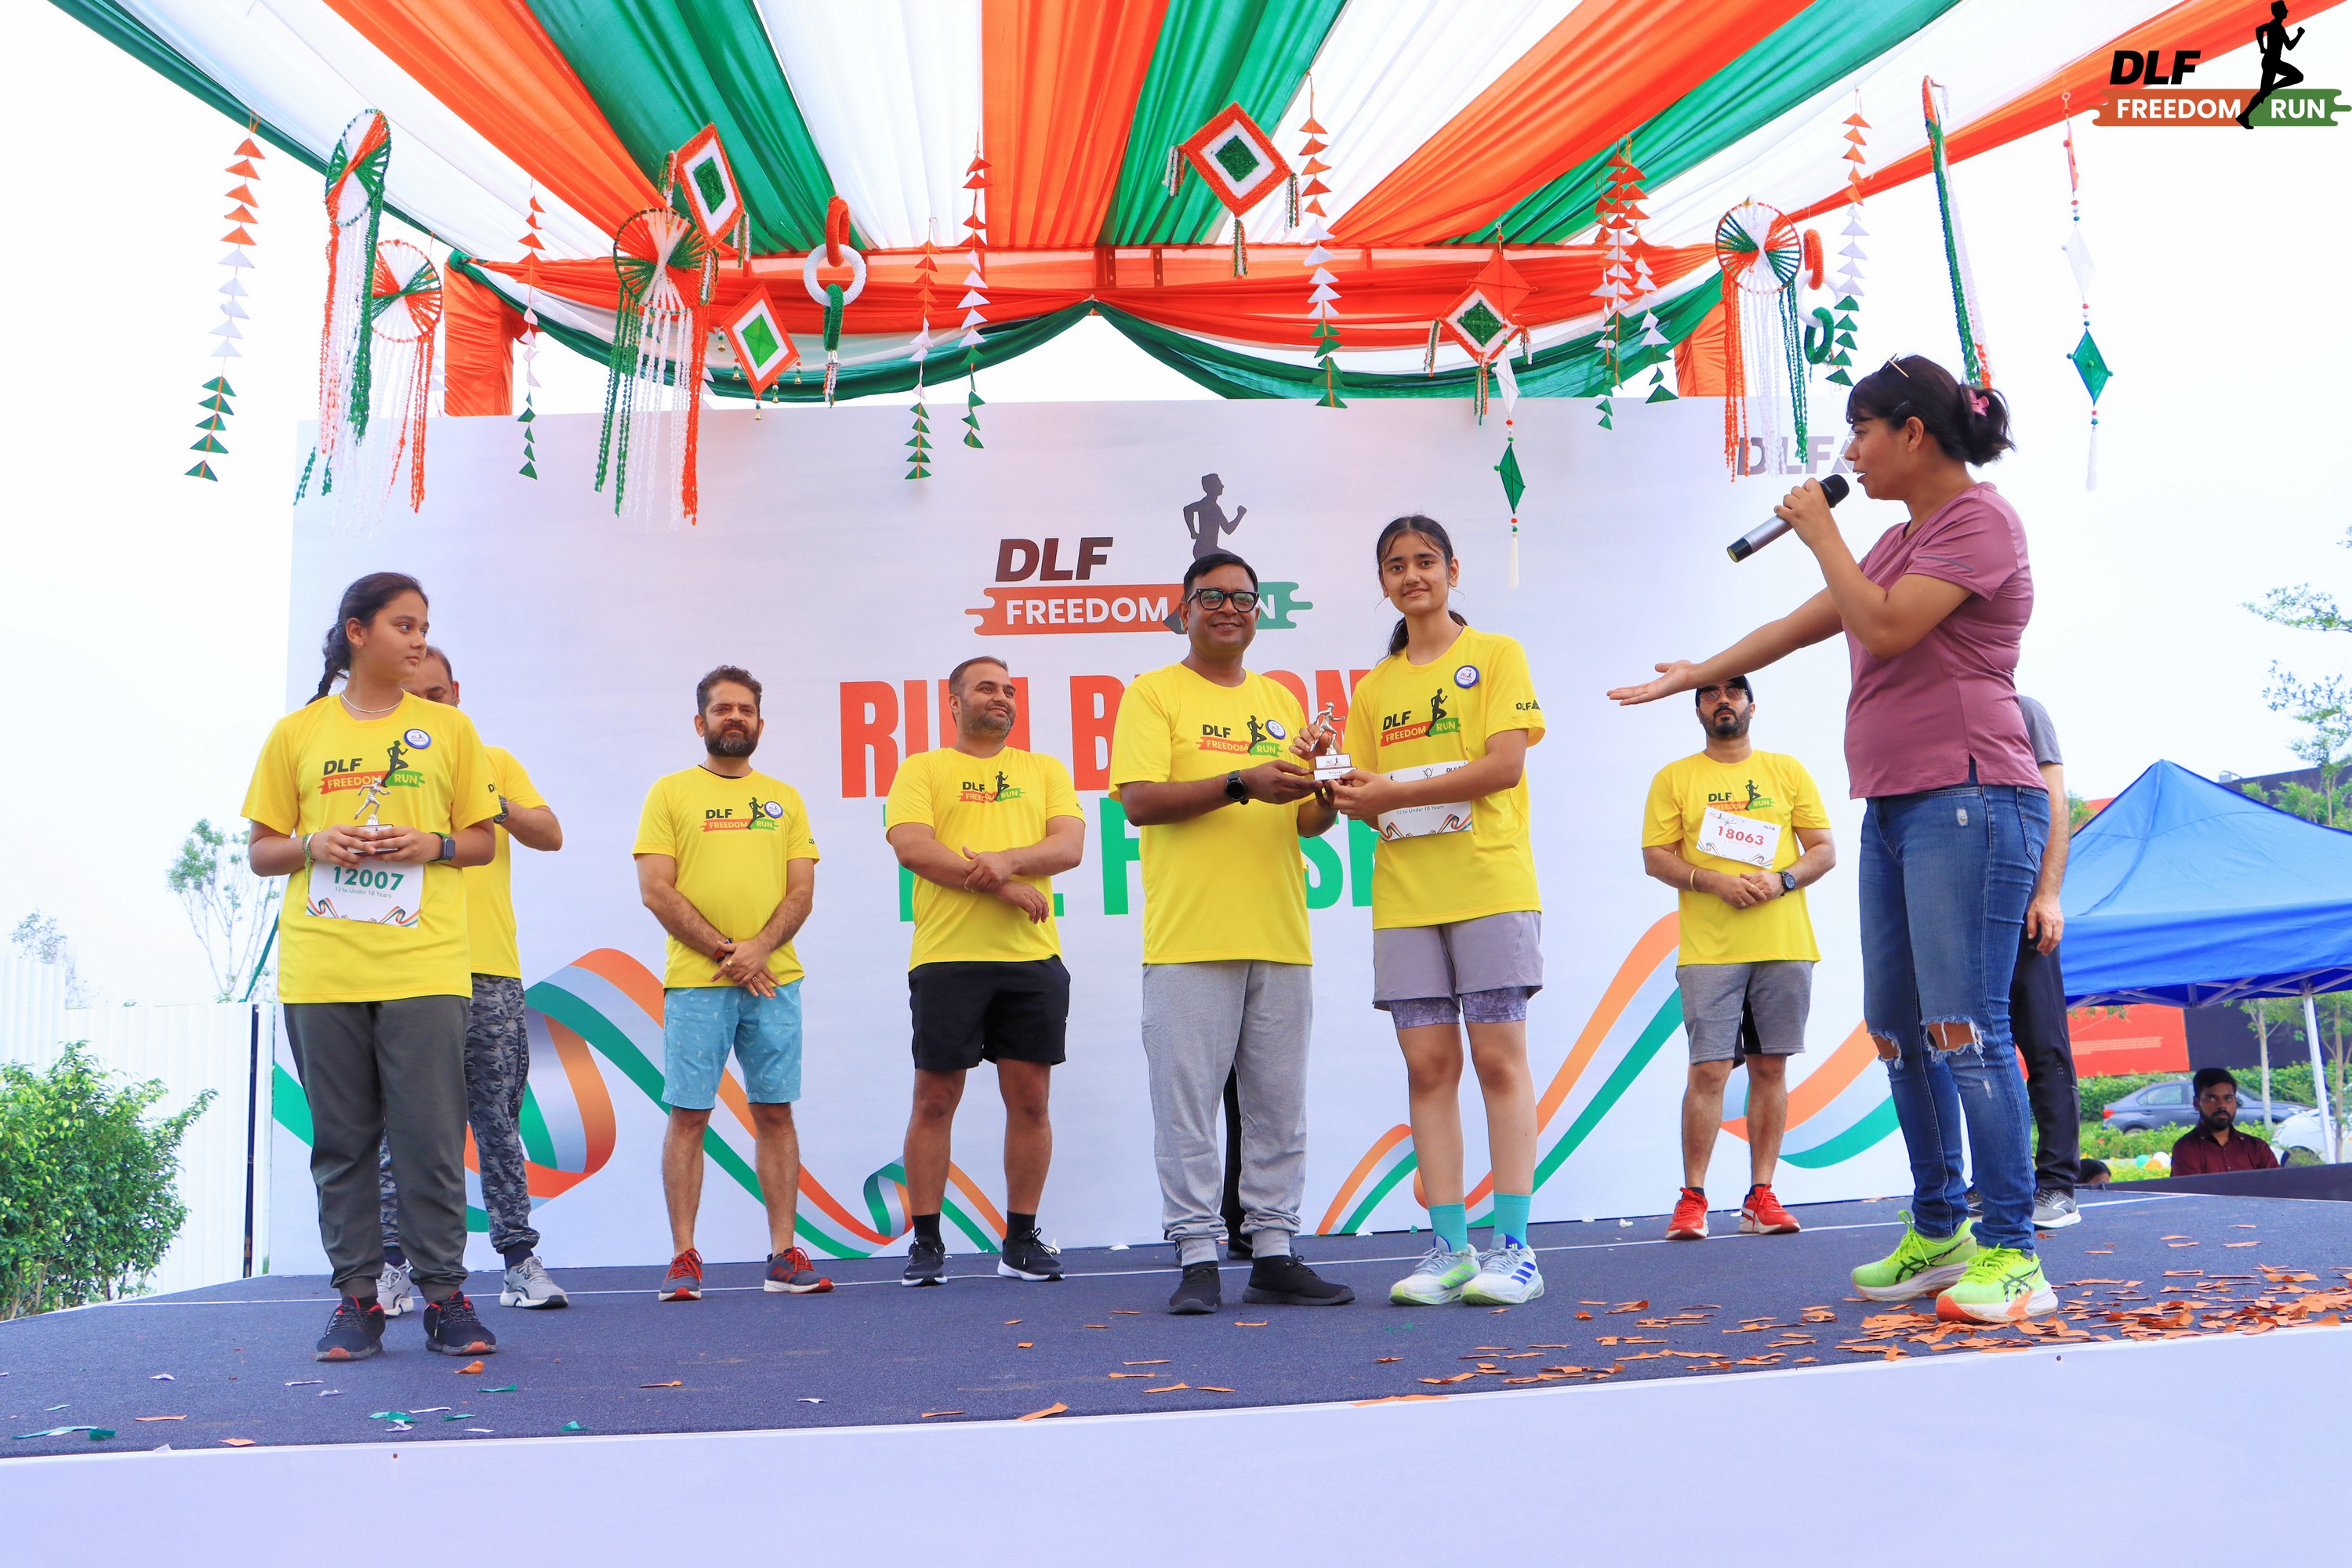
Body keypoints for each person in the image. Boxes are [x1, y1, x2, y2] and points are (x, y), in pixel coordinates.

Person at [1610, 354, 2057, 1325]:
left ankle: (2015, 1250)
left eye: (1861, 429)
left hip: (1971, 795)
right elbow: (1804, 622)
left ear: (1913, 432)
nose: (1850, 452)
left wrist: (1820, 534)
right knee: (1897, 1028)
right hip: (1894, 805)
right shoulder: (1898, 541)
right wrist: (1698, 669)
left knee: (1966, 1026)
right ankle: (1940, 1230)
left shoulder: (1980, 521)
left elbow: (1886, 628)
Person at [242, 573, 502, 1361]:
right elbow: (262, 851)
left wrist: (434, 844)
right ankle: (357, 1300)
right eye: (403, 625)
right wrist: (314, 843)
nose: (419, 639)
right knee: (343, 1141)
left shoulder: (450, 730)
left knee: (430, 1137)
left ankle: (446, 1298)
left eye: (423, 626)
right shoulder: (297, 733)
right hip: (322, 968)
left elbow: (482, 840)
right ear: (357, 632)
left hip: (424, 963)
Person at [1110, 550, 1356, 1314]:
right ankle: (1196, 1255)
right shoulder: (1154, 694)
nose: (1229, 609)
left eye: (1244, 598)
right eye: (1212, 597)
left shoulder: (1280, 699)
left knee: (1277, 1107)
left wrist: (1324, 791)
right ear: (1183, 611)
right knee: (1186, 1107)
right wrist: (1240, 781)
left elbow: (1305, 821)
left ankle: (1273, 1250)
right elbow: (1140, 801)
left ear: (1258, 613)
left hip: (1279, 932)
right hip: (1189, 936)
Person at [1327, 517, 1548, 1305]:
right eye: (1397, 566)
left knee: (1498, 1062)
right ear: (1383, 582)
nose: (1412, 575)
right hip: (1405, 899)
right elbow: (1355, 793)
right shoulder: (1374, 688)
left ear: (1453, 569)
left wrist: (1392, 791)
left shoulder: (1495, 655)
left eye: (1425, 561)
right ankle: (1451, 1248)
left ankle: (1515, 1248)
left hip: (1488, 886)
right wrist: (1328, 782)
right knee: (1427, 1068)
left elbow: (1503, 765)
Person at [372, 646, 569, 1316]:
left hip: (489, 971)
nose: (429, 707)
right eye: (415, 697)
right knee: (404, 1127)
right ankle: (392, 1267)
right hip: (411, 967)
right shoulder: (390, 768)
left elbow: (550, 833)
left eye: (438, 695)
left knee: (497, 1123)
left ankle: (518, 1262)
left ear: (457, 693)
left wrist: (491, 800)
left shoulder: (494, 761)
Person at [884, 656, 1085, 1286]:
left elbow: (1070, 845)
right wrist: (1001, 885)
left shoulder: (1044, 769)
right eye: (985, 688)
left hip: (1031, 960)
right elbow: (913, 847)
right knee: (934, 1100)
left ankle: (1020, 1242)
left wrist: (1008, 861)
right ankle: (926, 1243)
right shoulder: (924, 769)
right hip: (948, 959)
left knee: (1030, 1101)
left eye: (1008, 690)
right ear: (954, 703)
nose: (1001, 698)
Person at [633, 666, 829, 1301]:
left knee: (775, 1112)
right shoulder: (670, 793)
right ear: (701, 722)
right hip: (698, 982)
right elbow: (656, 890)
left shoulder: (785, 798)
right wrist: (728, 951)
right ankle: (683, 1257)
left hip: (775, 981)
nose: (735, 717)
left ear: (760, 723)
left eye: (745, 709)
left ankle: (783, 1254)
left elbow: (801, 891)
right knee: (690, 1115)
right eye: (723, 709)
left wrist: (760, 949)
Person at [1639, 674, 1835, 1242]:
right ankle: (1693, 1198)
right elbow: (1656, 857)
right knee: (1708, 1071)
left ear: (1752, 704)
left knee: (1771, 1068)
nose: (1722, 700)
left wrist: (1782, 879)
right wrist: (1713, 882)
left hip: (1783, 945)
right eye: (1709, 694)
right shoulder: (1675, 777)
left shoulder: (1787, 770)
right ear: (1698, 710)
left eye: (1733, 691)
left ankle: (1761, 1195)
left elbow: (1823, 850)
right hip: (1711, 950)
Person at [2013, 694, 2082, 1229]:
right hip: (1963, 913)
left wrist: (2049, 894)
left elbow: (2056, 803)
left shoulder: (2022, 710)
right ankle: (1997, 1182)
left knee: (2045, 1047)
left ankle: (2057, 1184)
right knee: (1974, 1051)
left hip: (2023, 905)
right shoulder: (1932, 710)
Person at [2170, 1070, 2281, 1174]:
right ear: (2196, 1103)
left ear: (2235, 1102)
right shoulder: (2186, 1148)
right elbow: (2192, 1188)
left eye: (2228, 1098)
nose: (2222, 1105)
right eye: (2212, 1098)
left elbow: (2278, 1184)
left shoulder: (2256, 1147)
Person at [2238, 2, 2305, 127]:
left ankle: (2244, 116)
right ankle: (2270, 90)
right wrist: (2262, 47)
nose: (2287, 11)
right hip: (2272, 62)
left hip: (2272, 61)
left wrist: (2262, 47)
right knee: (2298, 77)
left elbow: (2289, 46)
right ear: (2279, 12)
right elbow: (2259, 30)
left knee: (2263, 92)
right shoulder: (2274, 26)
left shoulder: (2278, 27)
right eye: (2285, 9)